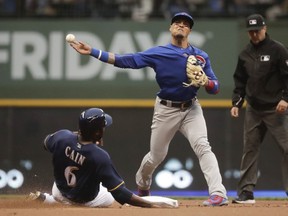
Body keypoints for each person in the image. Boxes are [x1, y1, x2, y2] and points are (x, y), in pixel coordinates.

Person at [69, 12, 228, 206]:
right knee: (156, 155)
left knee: (203, 146)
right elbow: (125, 60)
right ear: (170, 28)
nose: (180, 25)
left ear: (190, 31)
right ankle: (143, 183)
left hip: (191, 108)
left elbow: (216, 87)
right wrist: (93, 51)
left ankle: (218, 194)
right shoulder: (159, 52)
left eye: (185, 24)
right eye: (177, 22)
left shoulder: (201, 57)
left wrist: (206, 82)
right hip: (166, 109)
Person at [28, 108, 178, 208]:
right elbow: (120, 194)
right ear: (97, 133)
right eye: (102, 127)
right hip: (85, 201)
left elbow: (46, 143)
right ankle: (66, 204)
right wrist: (150, 206)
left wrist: (74, 139)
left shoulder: (62, 136)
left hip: (59, 191)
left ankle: (49, 200)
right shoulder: (99, 156)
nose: (104, 128)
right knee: (110, 195)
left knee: (74, 187)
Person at [230, 14, 288, 204]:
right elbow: (240, 81)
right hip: (254, 109)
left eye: (257, 30)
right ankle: (246, 192)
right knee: (250, 150)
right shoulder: (245, 54)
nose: (254, 34)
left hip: (276, 109)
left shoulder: (278, 50)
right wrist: (237, 103)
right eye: (251, 31)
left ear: (265, 28)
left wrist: (285, 99)